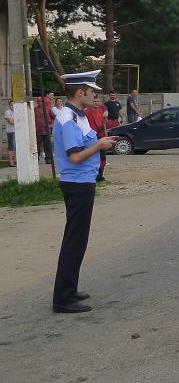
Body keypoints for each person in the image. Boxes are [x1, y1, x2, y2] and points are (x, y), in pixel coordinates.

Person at [51, 70, 116, 313]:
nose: (95, 95)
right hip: (76, 183)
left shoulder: (79, 116)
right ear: (80, 92)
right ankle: (63, 298)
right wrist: (99, 145)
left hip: (83, 182)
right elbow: (75, 156)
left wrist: (102, 142)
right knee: (74, 241)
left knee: (78, 240)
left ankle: (70, 289)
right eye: (92, 91)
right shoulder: (68, 118)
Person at [84, 93, 109, 183]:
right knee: (93, 158)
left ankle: (100, 175)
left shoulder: (100, 111)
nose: (96, 103)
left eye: (98, 101)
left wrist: (106, 135)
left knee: (103, 159)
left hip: (101, 136)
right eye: (94, 101)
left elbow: (103, 124)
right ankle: (92, 176)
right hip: (91, 137)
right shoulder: (86, 112)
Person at [34, 94, 52, 164]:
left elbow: (54, 118)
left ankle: (48, 159)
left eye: (41, 101)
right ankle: (36, 159)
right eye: (38, 101)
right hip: (37, 131)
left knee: (47, 145)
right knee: (37, 146)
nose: (39, 103)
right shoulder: (34, 110)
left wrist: (50, 125)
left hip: (46, 131)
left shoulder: (48, 109)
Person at [5, 100, 15, 167]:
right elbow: (11, 122)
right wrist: (18, 121)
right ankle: (10, 162)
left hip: (17, 131)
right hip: (11, 131)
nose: (12, 106)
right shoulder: (7, 112)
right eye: (11, 105)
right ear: (9, 106)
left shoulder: (17, 112)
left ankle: (15, 160)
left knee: (16, 147)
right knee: (11, 146)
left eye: (13, 105)